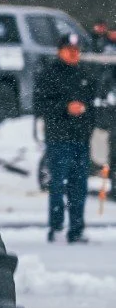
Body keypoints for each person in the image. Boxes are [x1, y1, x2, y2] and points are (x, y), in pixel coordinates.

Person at [33, 32, 100, 243]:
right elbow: (40, 105)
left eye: (76, 51)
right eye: (69, 50)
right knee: (57, 184)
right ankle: (56, 225)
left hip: (80, 138)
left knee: (79, 186)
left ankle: (77, 228)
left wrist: (86, 113)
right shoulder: (49, 74)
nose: (73, 54)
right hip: (58, 137)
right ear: (60, 51)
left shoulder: (85, 74)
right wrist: (64, 108)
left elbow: (94, 103)